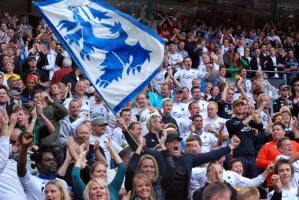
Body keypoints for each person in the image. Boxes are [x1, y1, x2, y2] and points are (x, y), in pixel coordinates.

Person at [118, 117, 241, 200]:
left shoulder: (188, 158)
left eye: (178, 141)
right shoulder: (159, 156)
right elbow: (137, 147)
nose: (176, 144)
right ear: (165, 145)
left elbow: (210, 155)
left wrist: (230, 146)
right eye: (172, 141)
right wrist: (125, 130)